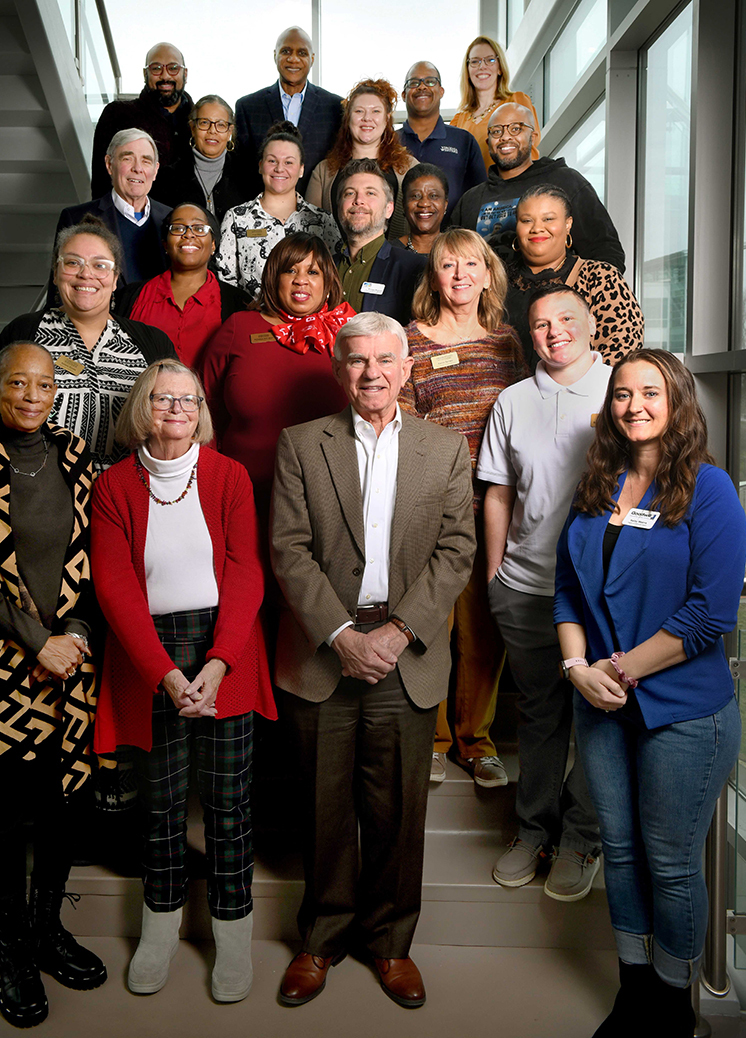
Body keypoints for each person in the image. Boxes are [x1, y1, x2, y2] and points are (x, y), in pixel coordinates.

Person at [270, 312, 475, 1009]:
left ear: (408, 367)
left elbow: (457, 553)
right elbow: (289, 550)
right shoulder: (301, 445)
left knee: (397, 812)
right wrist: (340, 634)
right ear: (338, 369)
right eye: (357, 361)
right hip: (325, 649)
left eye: (386, 360)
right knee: (324, 810)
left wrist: (395, 634)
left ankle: (390, 945)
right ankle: (321, 939)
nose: (372, 373)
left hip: (404, 652)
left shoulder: (445, 450)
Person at [555, 350, 745, 1036]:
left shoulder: (709, 489)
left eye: (650, 392)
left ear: (678, 401)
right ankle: (634, 990)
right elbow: (567, 593)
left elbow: (708, 616)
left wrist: (619, 672)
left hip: (684, 715)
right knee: (622, 850)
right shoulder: (595, 487)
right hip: (601, 703)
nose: (634, 404)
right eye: (622, 393)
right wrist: (578, 669)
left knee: (668, 862)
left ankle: (672, 1003)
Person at [90, 359, 277, 1003]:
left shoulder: (228, 476)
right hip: (150, 654)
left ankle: (232, 938)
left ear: (202, 410)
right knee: (161, 807)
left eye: (188, 399)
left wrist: (220, 661)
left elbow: (246, 570)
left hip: (225, 643)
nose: (176, 409)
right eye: (163, 398)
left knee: (229, 807)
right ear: (144, 407)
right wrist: (166, 674)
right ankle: (160, 934)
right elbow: (113, 587)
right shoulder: (113, 485)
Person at [0, 342, 105, 1027]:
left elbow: (94, 559)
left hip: (68, 666)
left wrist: (77, 639)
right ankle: (12, 951)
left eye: (44, 384)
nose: (32, 395)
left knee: (63, 807)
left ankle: (47, 932)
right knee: (6, 815)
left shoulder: (72, 454)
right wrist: (41, 644)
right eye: (18, 384)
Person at [0, 217, 175, 536]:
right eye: (72, 263)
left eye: (100, 264)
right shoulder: (25, 332)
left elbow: (176, 425)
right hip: (37, 516)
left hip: (129, 513)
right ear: (55, 274)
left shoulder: (151, 343)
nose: (86, 274)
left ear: (115, 277)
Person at [477, 284, 608, 902]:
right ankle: (533, 830)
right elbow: (498, 492)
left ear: (590, 326)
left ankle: (583, 836)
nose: (552, 332)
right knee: (539, 714)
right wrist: (496, 575)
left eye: (564, 320)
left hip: (601, 597)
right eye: (539, 324)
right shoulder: (511, 400)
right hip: (526, 588)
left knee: (598, 719)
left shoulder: (620, 390)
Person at [398, 229, 528, 786]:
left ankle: (475, 742)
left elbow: (525, 421)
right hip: (431, 509)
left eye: (470, 264)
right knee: (427, 626)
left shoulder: (508, 342)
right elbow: (397, 430)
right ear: (434, 275)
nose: (459, 275)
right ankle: (428, 738)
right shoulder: (410, 341)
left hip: (495, 509)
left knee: (482, 631)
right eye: (447, 265)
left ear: (487, 273)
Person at [203, 232, 354, 526]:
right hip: (243, 492)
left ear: (327, 282)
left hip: (329, 498)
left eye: (313, 272)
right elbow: (204, 406)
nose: (301, 280)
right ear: (274, 277)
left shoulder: (349, 334)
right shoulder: (239, 327)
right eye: (290, 270)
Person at [452, 102, 626, 273]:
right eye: (497, 131)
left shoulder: (566, 181)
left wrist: (573, 299)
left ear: (533, 137)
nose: (505, 137)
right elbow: (452, 260)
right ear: (488, 140)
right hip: (490, 300)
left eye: (516, 128)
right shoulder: (470, 200)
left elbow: (606, 252)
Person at [506, 184, 643, 368]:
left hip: (584, 393)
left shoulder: (600, 277)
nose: (537, 228)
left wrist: (572, 391)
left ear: (568, 224)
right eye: (526, 220)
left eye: (548, 219)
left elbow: (621, 351)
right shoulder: (496, 281)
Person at [115, 203, 250, 370]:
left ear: (213, 244)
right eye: (178, 228)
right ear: (165, 244)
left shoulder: (239, 303)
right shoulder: (129, 297)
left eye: (199, 228)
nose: (188, 234)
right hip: (141, 395)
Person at [216, 122, 341, 300]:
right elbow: (226, 282)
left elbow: (334, 279)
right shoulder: (237, 218)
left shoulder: (322, 220)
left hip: (311, 323)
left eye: (288, 162)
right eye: (272, 161)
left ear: (301, 169)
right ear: (260, 166)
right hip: (255, 321)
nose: (279, 169)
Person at [53, 130, 171, 302]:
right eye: (127, 159)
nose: (137, 168)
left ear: (155, 170)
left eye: (146, 161)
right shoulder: (76, 218)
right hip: (101, 324)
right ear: (109, 164)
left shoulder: (172, 219)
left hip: (158, 325)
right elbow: (58, 291)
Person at [234, 27, 343, 199]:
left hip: (317, 212)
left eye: (302, 53)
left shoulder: (335, 107)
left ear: (312, 59)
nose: (293, 59)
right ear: (275, 55)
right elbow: (241, 170)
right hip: (262, 215)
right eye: (286, 51)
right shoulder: (248, 107)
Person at [306, 79, 417, 241]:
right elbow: (310, 228)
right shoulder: (324, 170)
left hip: (397, 264)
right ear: (348, 118)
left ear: (387, 118)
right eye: (359, 111)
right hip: (335, 264)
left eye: (375, 111)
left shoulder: (409, 167)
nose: (367, 118)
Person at [90, 43, 193, 205]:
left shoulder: (201, 120)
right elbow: (100, 180)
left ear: (185, 73)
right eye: (156, 68)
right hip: (134, 219)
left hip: (188, 224)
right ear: (145, 73)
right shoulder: (117, 114)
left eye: (173, 68)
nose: (165, 76)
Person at [336, 159, 427, 325]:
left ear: (389, 209)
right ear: (339, 207)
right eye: (349, 193)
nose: (358, 200)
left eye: (370, 193)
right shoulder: (321, 266)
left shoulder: (415, 269)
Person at [398, 61, 486, 213]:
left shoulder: (464, 141)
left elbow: (480, 198)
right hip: (397, 235)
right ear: (404, 95)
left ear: (441, 91)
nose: (422, 86)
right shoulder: (388, 142)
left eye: (430, 81)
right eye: (414, 82)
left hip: (453, 235)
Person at [450, 36, 541, 172]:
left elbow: (530, 148)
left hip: (513, 189)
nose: (482, 66)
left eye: (490, 60)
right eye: (475, 61)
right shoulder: (458, 121)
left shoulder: (516, 102)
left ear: (500, 68)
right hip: (473, 192)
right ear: (468, 71)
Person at [167, 94, 244, 222]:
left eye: (221, 125)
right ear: (193, 128)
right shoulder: (168, 178)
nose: (212, 131)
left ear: (230, 131)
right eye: (204, 123)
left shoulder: (248, 176)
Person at [398, 164, 450, 255]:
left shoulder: (459, 251)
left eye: (433, 196)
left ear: (445, 204)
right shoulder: (387, 253)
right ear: (404, 204)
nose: (424, 203)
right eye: (415, 196)